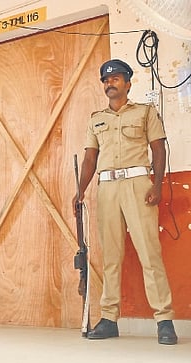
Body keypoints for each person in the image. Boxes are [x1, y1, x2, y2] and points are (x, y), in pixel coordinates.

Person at [74, 59, 177, 345]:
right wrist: (80, 190)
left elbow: (158, 148)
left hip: (138, 185)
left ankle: (164, 319)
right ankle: (109, 318)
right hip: (107, 187)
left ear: (128, 83)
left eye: (116, 78)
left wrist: (157, 184)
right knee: (111, 257)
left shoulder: (145, 112)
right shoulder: (96, 119)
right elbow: (89, 158)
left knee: (149, 254)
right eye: (106, 80)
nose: (110, 83)